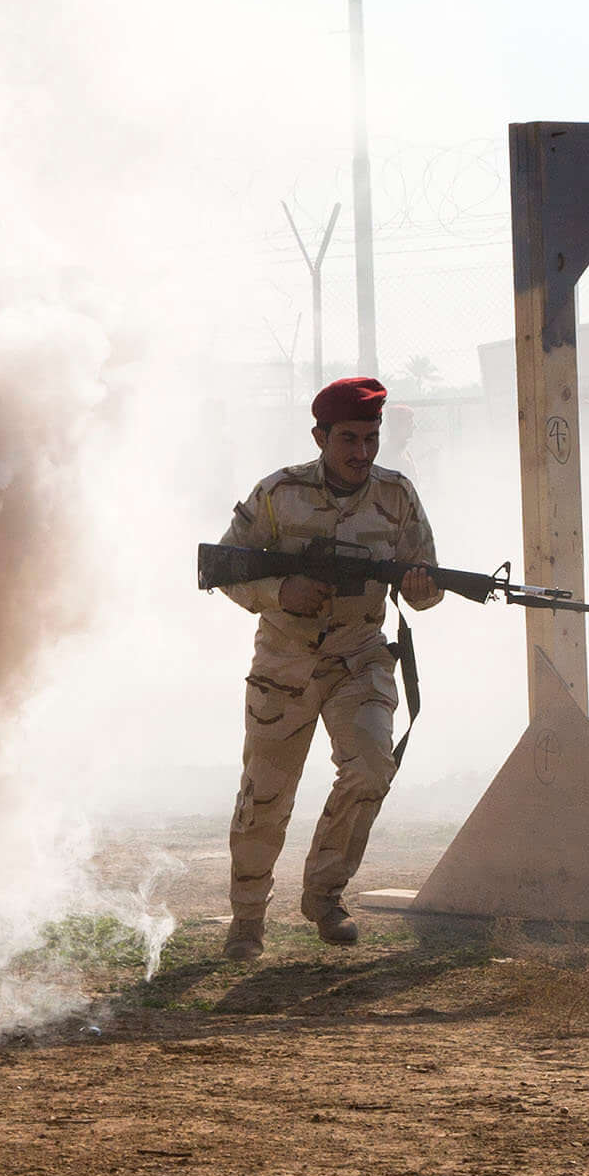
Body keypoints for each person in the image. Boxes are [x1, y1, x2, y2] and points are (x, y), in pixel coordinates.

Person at [209, 376, 442, 959]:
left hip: (360, 658)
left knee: (370, 768)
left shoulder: (398, 497)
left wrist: (421, 588)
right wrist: (280, 591)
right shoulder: (276, 494)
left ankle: (324, 894)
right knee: (266, 796)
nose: (362, 453)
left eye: (371, 439)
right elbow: (223, 570)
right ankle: (247, 921)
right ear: (320, 436)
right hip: (285, 663)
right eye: (348, 440)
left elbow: (427, 587)